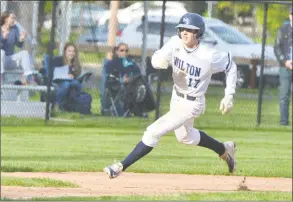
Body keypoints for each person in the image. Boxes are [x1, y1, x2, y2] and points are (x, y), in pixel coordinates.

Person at [103, 12, 238, 179]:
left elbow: (231, 66)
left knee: (153, 131)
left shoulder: (208, 54)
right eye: (182, 29)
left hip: (192, 103)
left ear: (199, 33)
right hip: (177, 97)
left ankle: (120, 166)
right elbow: (157, 60)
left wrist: (228, 95)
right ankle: (224, 150)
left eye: (190, 29)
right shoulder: (175, 43)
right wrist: (159, 59)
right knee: (185, 137)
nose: (185, 32)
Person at [103, 43, 142, 116]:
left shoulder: (131, 63)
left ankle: (141, 108)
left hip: (131, 83)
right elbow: (110, 76)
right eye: (122, 50)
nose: (124, 52)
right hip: (117, 85)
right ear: (117, 51)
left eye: (126, 51)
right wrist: (121, 80)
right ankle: (135, 108)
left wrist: (131, 79)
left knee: (142, 85)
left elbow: (138, 74)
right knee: (129, 89)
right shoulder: (111, 63)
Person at [0, 11, 34, 85]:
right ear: (6, 19)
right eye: (12, 18)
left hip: (10, 60)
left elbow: (18, 45)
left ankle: (29, 76)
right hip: (1, 60)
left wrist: (21, 39)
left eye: (14, 18)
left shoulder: (14, 29)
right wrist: (3, 38)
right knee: (1, 52)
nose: (14, 20)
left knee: (24, 53)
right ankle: (1, 77)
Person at [274, 6, 292, 126]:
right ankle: (284, 122)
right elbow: (277, 48)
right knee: (284, 95)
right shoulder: (283, 29)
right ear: (290, 15)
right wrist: (285, 61)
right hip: (286, 67)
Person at [54, 42, 82, 111]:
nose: (71, 53)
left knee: (77, 84)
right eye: (69, 51)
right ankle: (56, 104)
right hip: (59, 80)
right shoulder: (59, 60)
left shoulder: (75, 63)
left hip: (70, 80)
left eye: (73, 51)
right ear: (65, 51)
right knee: (66, 85)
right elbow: (54, 71)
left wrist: (73, 75)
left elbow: (77, 74)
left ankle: (74, 105)